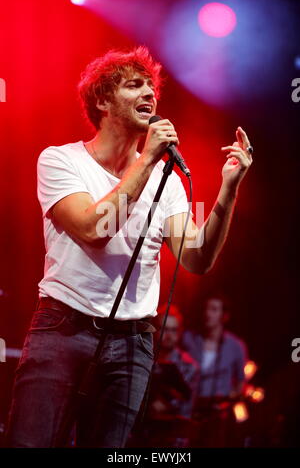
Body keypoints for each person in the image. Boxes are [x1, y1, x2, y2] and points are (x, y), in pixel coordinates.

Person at [6, 46, 253, 448]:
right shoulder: (61, 161)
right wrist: (148, 160)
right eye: (134, 85)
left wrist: (229, 188)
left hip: (133, 341)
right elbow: (93, 228)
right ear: (102, 101)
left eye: (152, 88)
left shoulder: (168, 182)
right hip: (63, 330)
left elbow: (197, 258)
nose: (150, 95)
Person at [182, 293, 248, 446]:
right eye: (206, 309)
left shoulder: (236, 346)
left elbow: (241, 382)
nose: (207, 313)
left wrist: (228, 398)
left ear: (224, 316)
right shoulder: (188, 338)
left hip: (217, 417)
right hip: (189, 411)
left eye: (214, 309)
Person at [131, 305, 200, 447]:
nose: (169, 335)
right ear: (155, 330)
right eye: (165, 329)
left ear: (180, 332)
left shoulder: (189, 367)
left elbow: (181, 406)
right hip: (138, 436)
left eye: (174, 330)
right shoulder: (141, 358)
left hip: (172, 439)